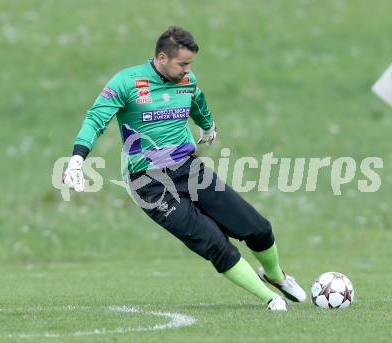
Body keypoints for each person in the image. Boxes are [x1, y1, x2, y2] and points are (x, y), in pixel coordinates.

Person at [63, 26, 306, 311]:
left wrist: (207, 125)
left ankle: (276, 277)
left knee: (258, 228)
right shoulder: (126, 82)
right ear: (162, 57)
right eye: (182, 63)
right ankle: (269, 298)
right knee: (215, 243)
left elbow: (197, 103)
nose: (187, 70)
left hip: (188, 169)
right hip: (149, 184)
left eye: (190, 64)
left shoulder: (187, 80)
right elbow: (95, 120)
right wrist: (78, 159)